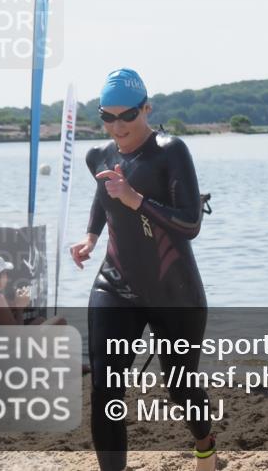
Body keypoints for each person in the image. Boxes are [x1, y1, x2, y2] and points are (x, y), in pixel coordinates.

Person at [69, 69, 216, 471]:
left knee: (181, 386)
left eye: (127, 116)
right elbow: (106, 192)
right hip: (115, 285)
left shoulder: (171, 151)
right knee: (105, 387)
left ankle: (205, 447)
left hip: (174, 291)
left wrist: (135, 199)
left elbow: (190, 224)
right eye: (107, 117)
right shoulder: (97, 156)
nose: (117, 126)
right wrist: (91, 236)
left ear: (147, 109)